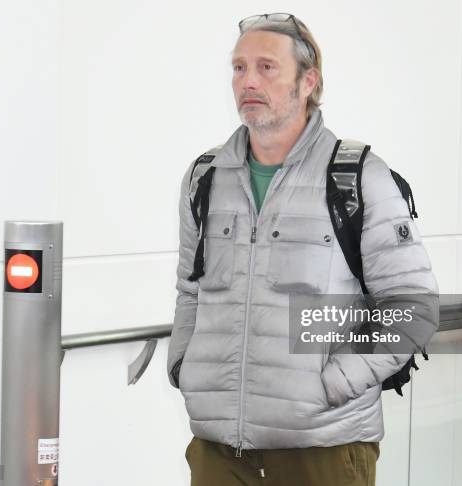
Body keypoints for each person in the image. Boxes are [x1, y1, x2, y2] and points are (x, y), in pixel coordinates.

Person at [167, 13, 439, 486]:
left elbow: (412, 307)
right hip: (218, 450)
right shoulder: (204, 178)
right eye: (238, 68)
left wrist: (332, 384)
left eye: (266, 67)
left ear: (308, 81)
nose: (248, 81)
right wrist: (184, 367)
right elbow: (189, 291)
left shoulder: (358, 178)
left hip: (324, 448)